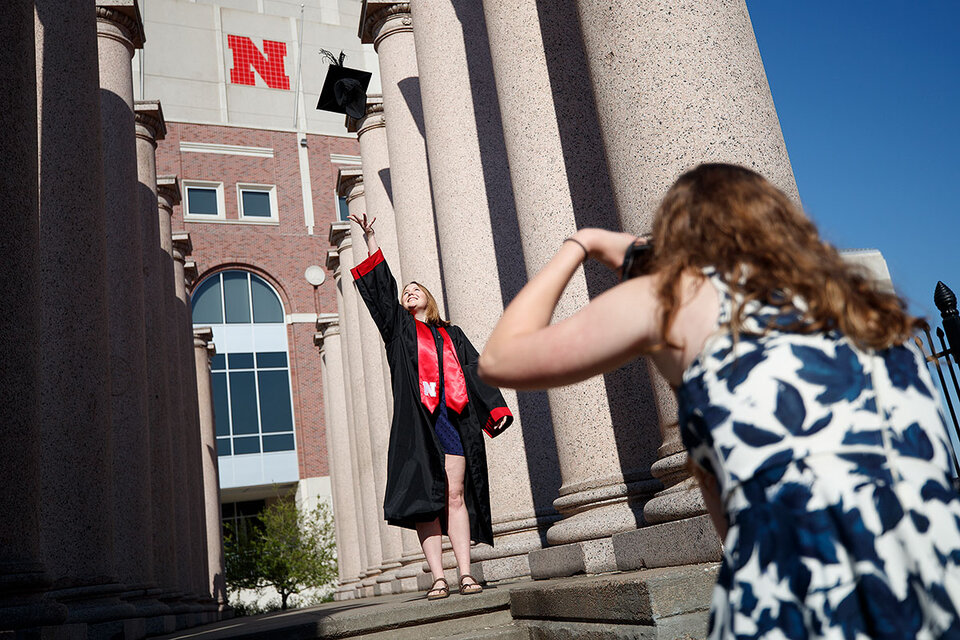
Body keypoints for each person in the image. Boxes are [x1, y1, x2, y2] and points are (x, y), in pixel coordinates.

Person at [479, 163, 960, 637]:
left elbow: (500, 358)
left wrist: (580, 243)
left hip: (807, 596)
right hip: (938, 576)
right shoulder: (861, 307)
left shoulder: (675, 299)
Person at [347, 213, 513, 601]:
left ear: (429, 298)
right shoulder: (398, 331)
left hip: (451, 421)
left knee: (455, 495)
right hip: (417, 424)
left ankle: (466, 574)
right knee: (426, 503)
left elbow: (475, 371)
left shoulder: (451, 334)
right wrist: (372, 242)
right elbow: (383, 293)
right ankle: (438, 576)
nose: (408, 293)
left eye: (415, 289)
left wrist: (495, 410)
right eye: (405, 292)